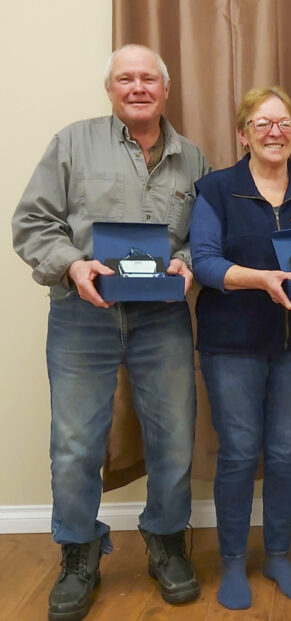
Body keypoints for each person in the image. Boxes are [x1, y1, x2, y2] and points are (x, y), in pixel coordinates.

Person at [12, 44, 209, 620]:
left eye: (149, 78)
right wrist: (73, 264)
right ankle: (79, 552)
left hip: (162, 318)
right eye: (126, 78)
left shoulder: (192, 158)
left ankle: (167, 542)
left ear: (165, 89)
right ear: (111, 89)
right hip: (83, 314)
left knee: (174, 436)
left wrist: (190, 262)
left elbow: (205, 236)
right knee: (75, 444)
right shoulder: (72, 143)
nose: (138, 87)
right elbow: (31, 222)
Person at [189, 87, 291, 610]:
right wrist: (259, 279)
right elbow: (203, 262)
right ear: (242, 132)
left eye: (285, 122)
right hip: (232, 346)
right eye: (263, 123)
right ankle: (231, 562)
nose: (276, 132)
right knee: (241, 453)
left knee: (287, 452)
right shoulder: (217, 189)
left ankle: (277, 554)